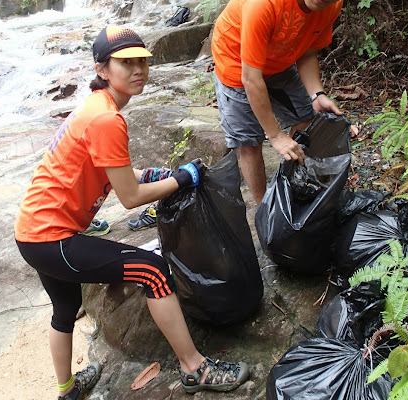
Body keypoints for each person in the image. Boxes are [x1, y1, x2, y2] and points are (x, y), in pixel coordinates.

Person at [14, 26, 249, 400]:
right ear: (102, 69)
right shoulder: (107, 119)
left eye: (142, 61)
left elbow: (116, 171)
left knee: (65, 308)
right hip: (52, 237)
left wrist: (155, 174)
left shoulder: (95, 107)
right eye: (126, 63)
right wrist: (181, 179)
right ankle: (195, 368)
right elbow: (129, 196)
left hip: (31, 232)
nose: (138, 69)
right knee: (153, 271)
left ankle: (67, 390)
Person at [211, 0, 364, 205]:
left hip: (280, 59)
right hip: (236, 62)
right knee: (249, 141)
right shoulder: (265, 0)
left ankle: (290, 185)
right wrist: (275, 136)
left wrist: (317, 94)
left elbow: (308, 52)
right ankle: (264, 207)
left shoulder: (331, 4)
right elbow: (251, 78)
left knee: (305, 118)